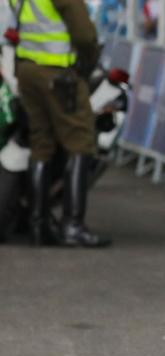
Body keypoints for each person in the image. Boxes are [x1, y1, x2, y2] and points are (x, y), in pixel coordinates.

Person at [11, 0, 111, 247]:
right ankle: (72, 226)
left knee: (41, 143)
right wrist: (87, 63)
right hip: (58, 73)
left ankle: (38, 223)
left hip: (27, 68)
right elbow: (85, 36)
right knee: (80, 141)